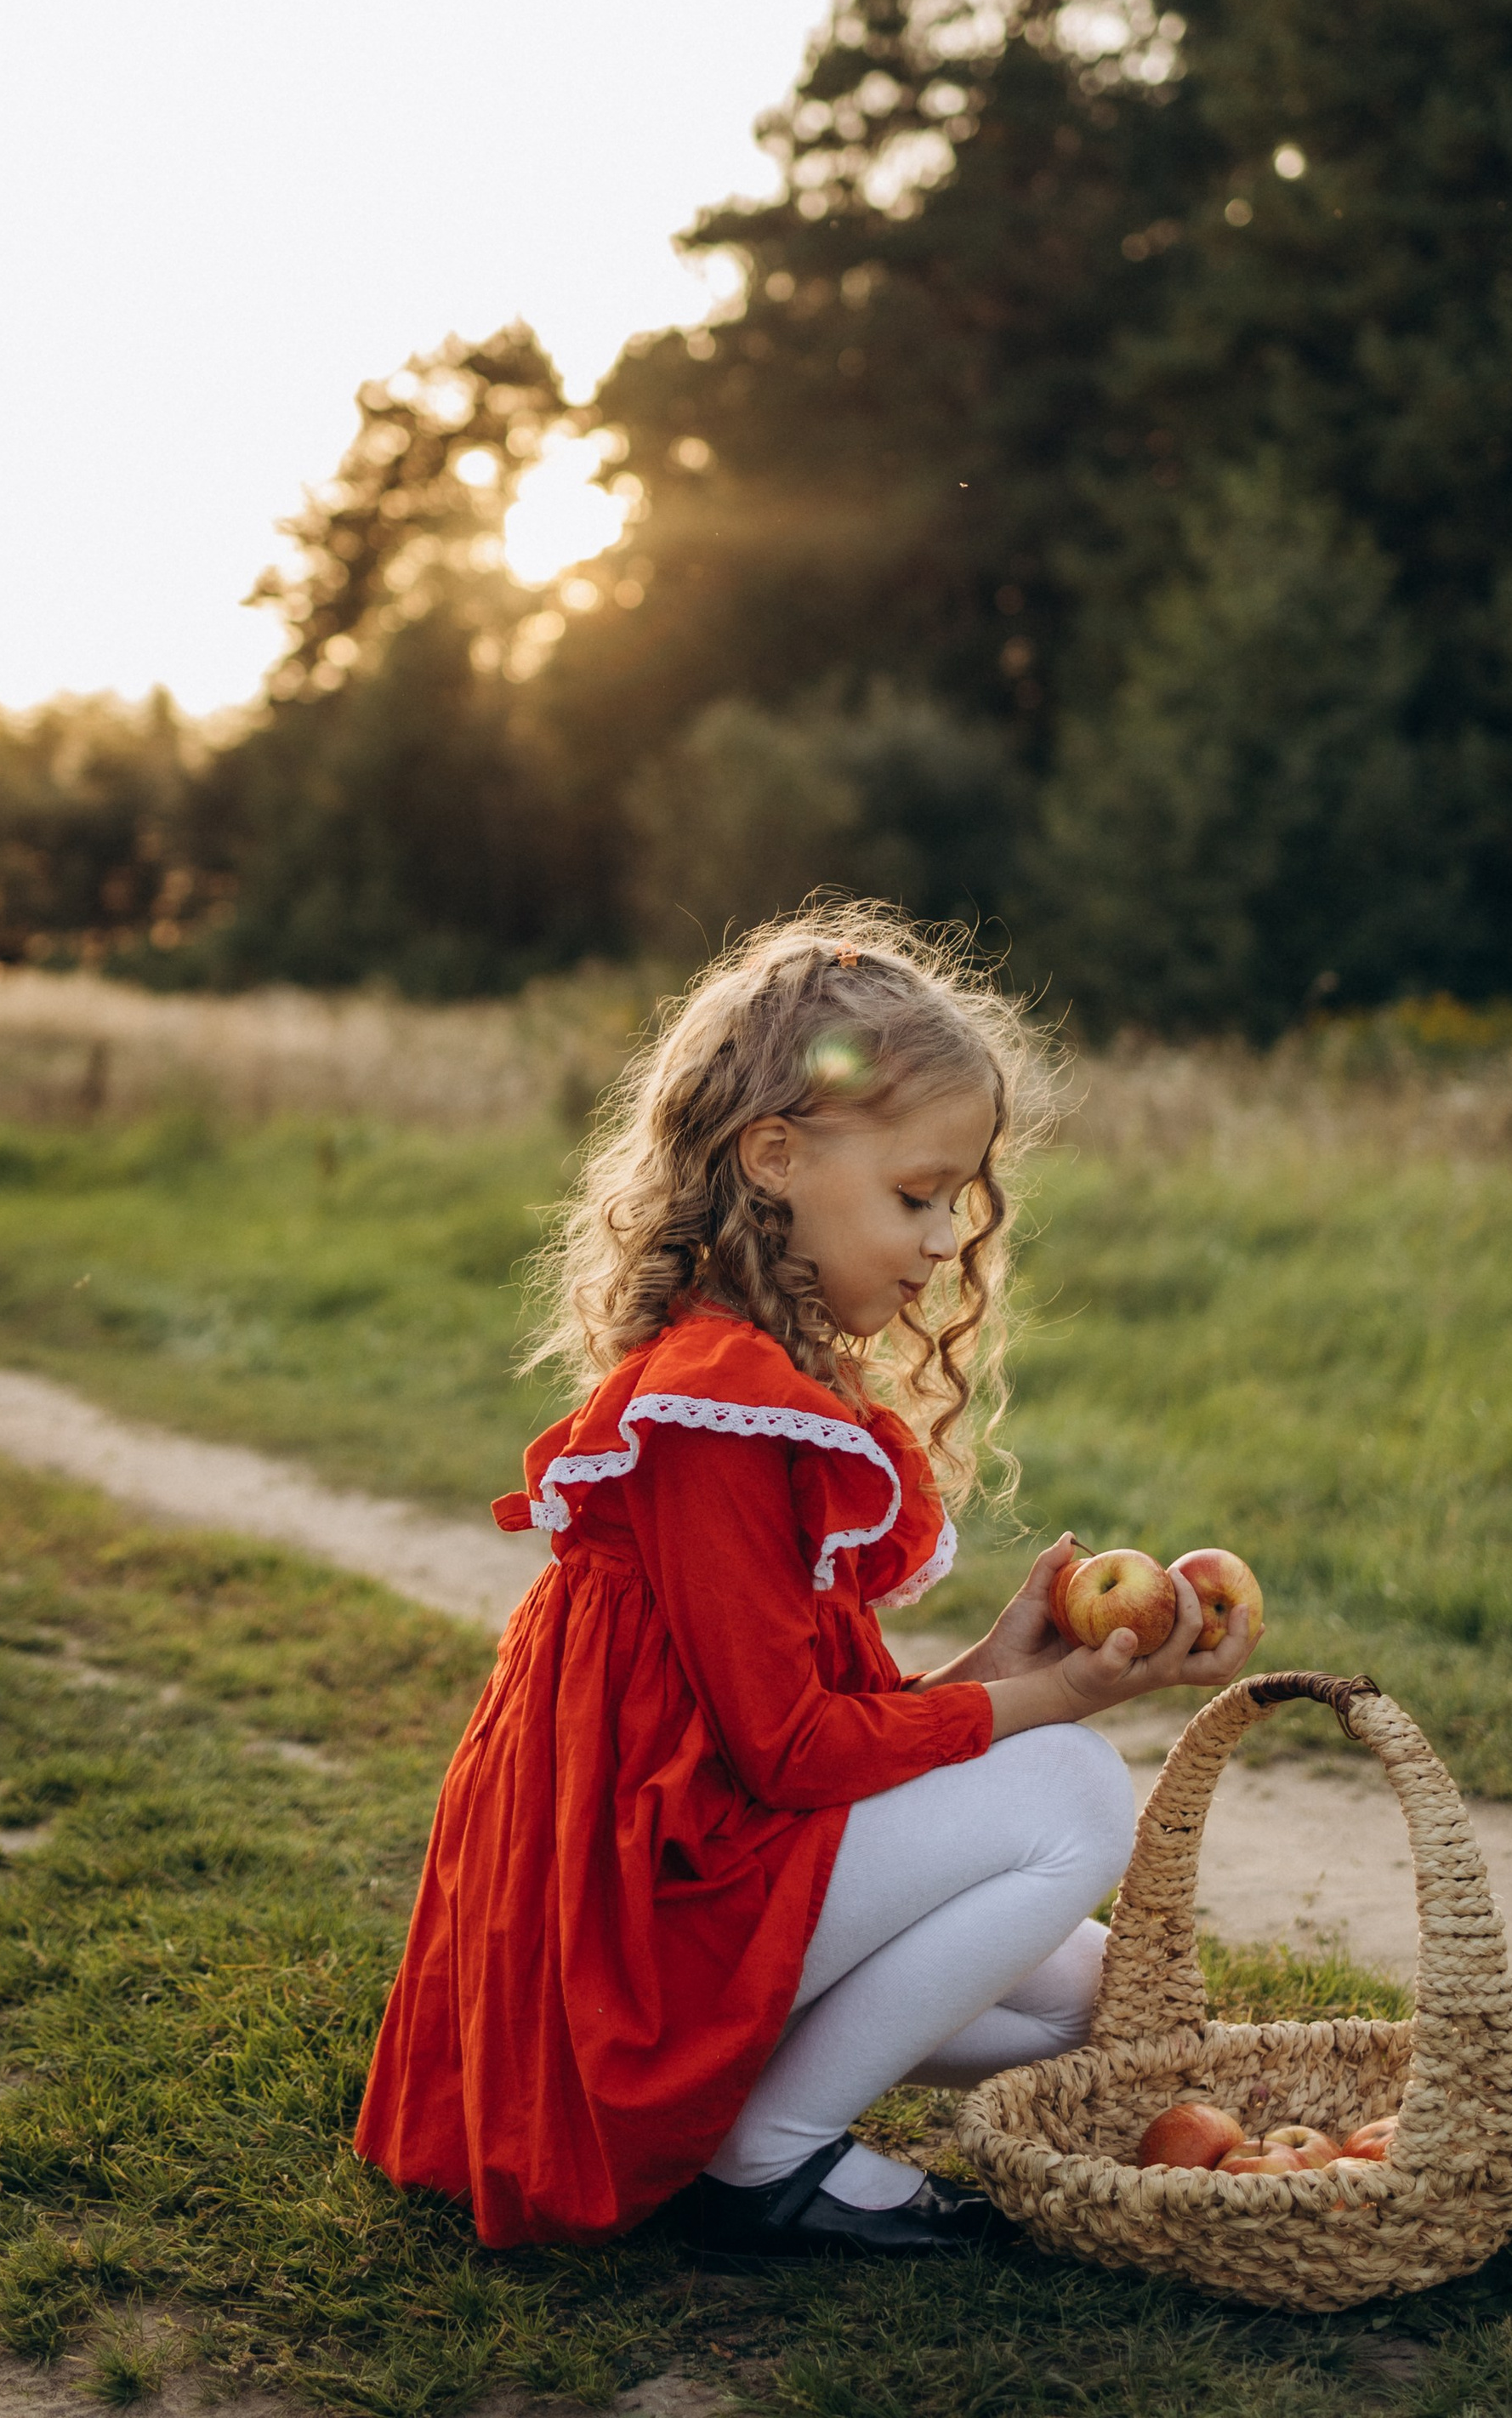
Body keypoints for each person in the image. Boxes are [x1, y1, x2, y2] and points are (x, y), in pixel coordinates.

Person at [353, 911, 1255, 2261]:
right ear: (773, 1158)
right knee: (1068, 1794)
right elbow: (790, 1756)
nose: (948, 1236)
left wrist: (1006, 1671)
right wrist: (1056, 1704)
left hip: (695, 1868)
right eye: (915, 1194)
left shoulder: (771, 1390)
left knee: (1087, 1994)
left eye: (958, 1201)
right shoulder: (713, 1411)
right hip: (638, 1927)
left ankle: (745, 2120)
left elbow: (811, 1740)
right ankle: (765, 2162)